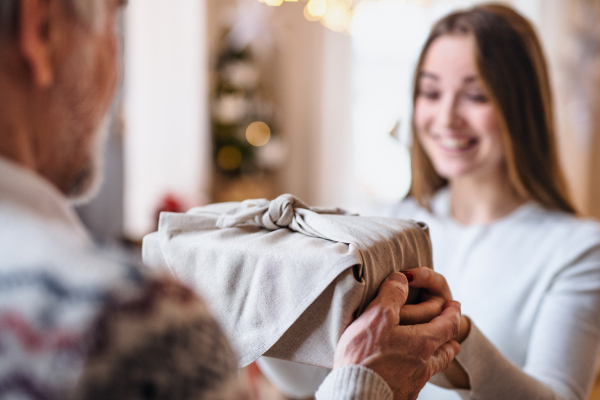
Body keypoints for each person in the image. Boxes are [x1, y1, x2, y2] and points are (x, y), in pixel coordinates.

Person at [0, 0, 463, 399]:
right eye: (111, 22)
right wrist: (366, 384)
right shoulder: (127, 324)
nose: (117, 68)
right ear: (42, 33)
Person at [383, 4, 600, 400]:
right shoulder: (389, 226)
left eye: (476, 95)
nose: (446, 117)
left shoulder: (580, 250)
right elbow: (309, 382)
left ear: (521, 107)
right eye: (430, 92)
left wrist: (458, 339)